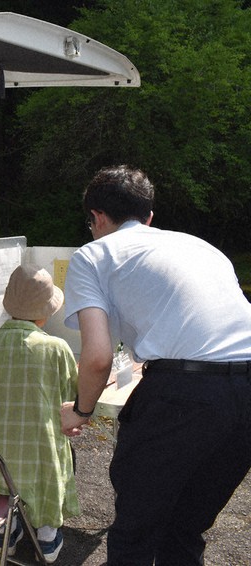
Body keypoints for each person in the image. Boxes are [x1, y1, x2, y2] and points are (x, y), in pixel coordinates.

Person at [61, 165, 251, 565]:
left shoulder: (93, 255)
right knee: (184, 527)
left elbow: (97, 357)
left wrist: (80, 411)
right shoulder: (201, 247)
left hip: (185, 395)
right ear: (148, 217)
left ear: (95, 218)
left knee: (136, 531)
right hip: (245, 398)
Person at [0, 263, 79, 563]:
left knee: (12, 464)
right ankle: (45, 536)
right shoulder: (57, 349)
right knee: (49, 448)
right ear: (46, 312)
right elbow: (72, 396)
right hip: (38, 463)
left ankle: (10, 526)